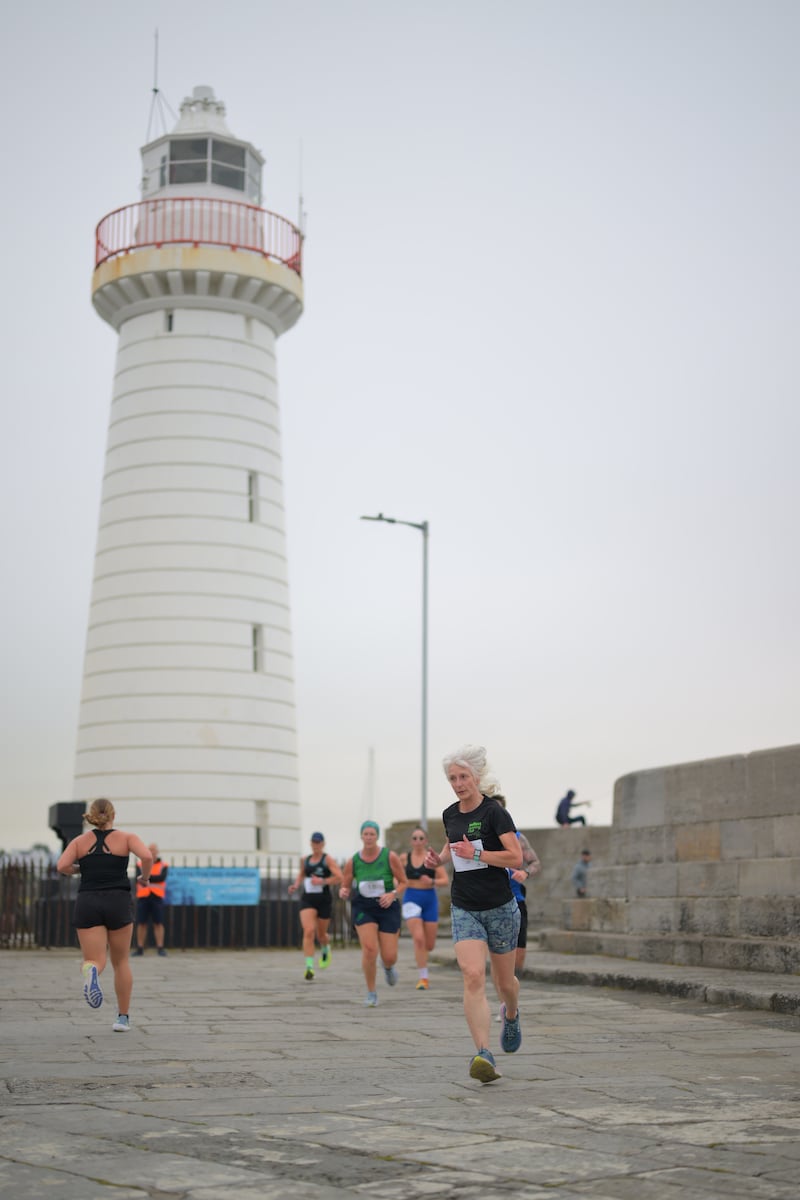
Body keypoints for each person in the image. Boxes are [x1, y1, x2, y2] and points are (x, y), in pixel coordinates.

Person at [424, 746, 523, 1084]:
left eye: (463, 777)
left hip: (500, 907)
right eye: (452, 778)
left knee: (504, 983)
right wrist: (438, 860)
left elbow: (515, 857)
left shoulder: (495, 813)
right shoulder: (450, 814)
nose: (458, 783)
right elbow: (453, 845)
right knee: (472, 975)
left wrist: (477, 852)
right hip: (465, 906)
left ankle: (511, 1013)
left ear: (477, 777)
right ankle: (483, 1053)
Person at [56, 798, 152, 1033]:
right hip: (117, 901)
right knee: (121, 962)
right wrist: (145, 878)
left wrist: (81, 869)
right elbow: (147, 857)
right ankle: (122, 1018)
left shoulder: (80, 841)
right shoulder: (127, 838)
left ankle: (91, 972)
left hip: (88, 901)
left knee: (95, 960)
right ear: (113, 815)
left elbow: (62, 866)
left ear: (91, 816)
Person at [339, 820, 408, 1006]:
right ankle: (371, 993)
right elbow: (345, 885)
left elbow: (403, 882)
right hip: (363, 906)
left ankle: (388, 967)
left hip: (387, 906)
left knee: (389, 955)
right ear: (361, 836)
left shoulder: (389, 856)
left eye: (372, 834)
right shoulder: (353, 861)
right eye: (366, 834)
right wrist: (343, 891)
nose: (369, 837)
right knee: (369, 949)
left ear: (377, 836)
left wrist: (392, 894)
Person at [490, 796, 541, 1006]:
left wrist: (525, 873)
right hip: (491, 902)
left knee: (518, 959)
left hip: (516, 901)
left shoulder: (517, 838)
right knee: (498, 956)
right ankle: (504, 1004)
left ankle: (510, 995)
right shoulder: (481, 840)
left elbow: (535, 862)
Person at [287, 832, 343, 980]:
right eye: (314, 842)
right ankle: (309, 967)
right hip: (308, 899)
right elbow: (301, 874)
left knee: (321, 935)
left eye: (318, 843)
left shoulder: (327, 860)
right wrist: (296, 885)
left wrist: (322, 881)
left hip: (324, 900)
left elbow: (339, 877)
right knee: (309, 931)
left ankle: (325, 947)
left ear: (323, 844)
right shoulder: (305, 860)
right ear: (311, 844)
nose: (316, 845)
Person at [400, 826, 449, 990]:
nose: (418, 841)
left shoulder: (431, 859)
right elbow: (396, 877)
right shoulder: (404, 858)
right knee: (419, 939)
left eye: (421, 838)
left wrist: (432, 882)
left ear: (426, 841)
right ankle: (423, 978)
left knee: (429, 945)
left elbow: (445, 880)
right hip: (411, 898)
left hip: (429, 899)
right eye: (415, 838)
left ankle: (423, 966)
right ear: (411, 841)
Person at [134, 843, 168, 956]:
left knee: (158, 923)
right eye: (150, 850)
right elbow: (138, 878)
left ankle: (160, 947)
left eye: (153, 850)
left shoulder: (164, 865)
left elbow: (161, 878)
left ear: (157, 851)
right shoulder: (139, 864)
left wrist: (146, 877)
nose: (152, 852)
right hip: (143, 896)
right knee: (141, 923)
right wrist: (151, 878)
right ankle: (139, 948)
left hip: (157, 896)